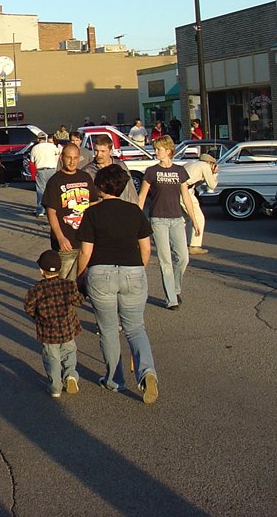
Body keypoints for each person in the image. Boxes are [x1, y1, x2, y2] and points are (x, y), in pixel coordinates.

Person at [75, 164, 158, 403]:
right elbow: (145, 248)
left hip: (101, 273)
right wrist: (138, 270)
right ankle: (147, 373)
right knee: (135, 328)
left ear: (100, 186)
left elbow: (85, 252)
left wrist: (80, 276)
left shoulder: (92, 213)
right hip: (132, 270)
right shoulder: (134, 211)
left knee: (109, 330)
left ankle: (115, 380)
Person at [137, 136, 201, 310]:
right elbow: (142, 196)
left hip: (177, 219)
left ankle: (176, 288)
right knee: (165, 261)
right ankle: (171, 299)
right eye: (155, 149)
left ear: (168, 151)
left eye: (159, 149)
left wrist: (194, 220)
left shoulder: (180, 171)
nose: (156, 152)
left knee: (183, 258)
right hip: (158, 220)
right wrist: (136, 218)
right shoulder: (151, 171)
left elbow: (186, 196)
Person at [24, 249, 82, 398]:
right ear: (60, 268)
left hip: (48, 332)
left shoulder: (36, 289)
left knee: (52, 358)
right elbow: (78, 300)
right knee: (69, 352)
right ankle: (70, 375)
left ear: (41, 271)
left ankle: (55, 385)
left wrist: (37, 316)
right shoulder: (68, 285)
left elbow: (28, 307)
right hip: (68, 328)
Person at [41, 144, 99, 281]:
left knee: (85, 281)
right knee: (65, 282)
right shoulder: (55, 181)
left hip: (86, 241)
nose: (72, 162)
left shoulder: (85, 177)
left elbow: (93, 205)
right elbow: (51, 212)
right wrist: (60, 237)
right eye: (68, 158)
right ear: (62, 158)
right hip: (66, 244)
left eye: (75, 158)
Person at [82, 135, 137, 203]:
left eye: (103, 151)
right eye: (96, 150)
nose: (99, 154)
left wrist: (136, 209)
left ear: (110, 151)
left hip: (123, 209)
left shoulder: (121, 165)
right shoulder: (87, 171)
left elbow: (131, 192)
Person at [182, 153, 219, 255]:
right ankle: (194, 245)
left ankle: (184, 243)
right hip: (185, 192)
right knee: (198, 218)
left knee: (186, 218)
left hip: (178, 191)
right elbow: (212, 185)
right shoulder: (205, 166)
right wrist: (214, 174)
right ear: (211, 163)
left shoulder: (191, 164)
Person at [30, 132, 59, 218]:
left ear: (38, 139)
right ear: (45, 138)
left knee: (40, 191)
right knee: (52, 190)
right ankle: (54, 209)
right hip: (52, 170)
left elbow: (32, 161)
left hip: (41, 170)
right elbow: (58, 153)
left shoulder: (34, 148)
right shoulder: (51, 146)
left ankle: (40, 211)